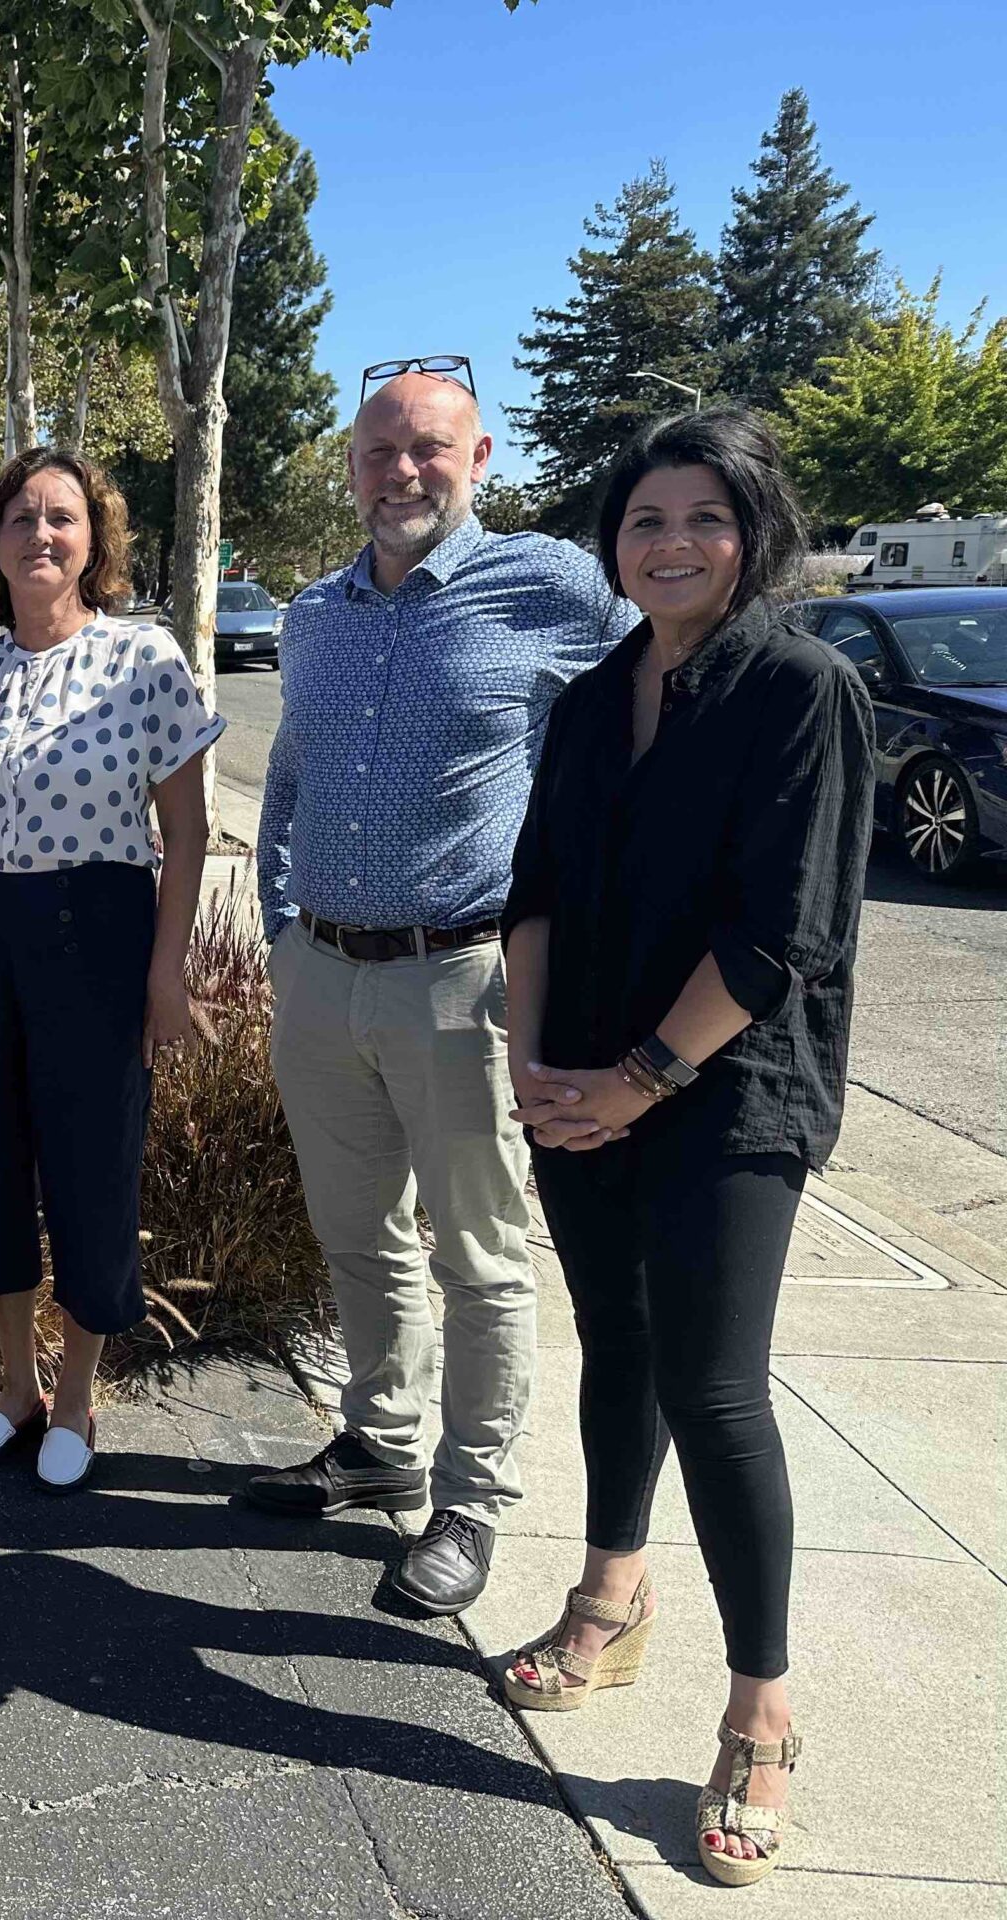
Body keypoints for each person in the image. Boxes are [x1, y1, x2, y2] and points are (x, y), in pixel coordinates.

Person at [499, 409, 869, 1889]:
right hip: (579, 1085)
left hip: (726, 1093)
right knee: (618, 1348)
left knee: (715, 1392)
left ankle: (761, 1713)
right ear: (613, 543)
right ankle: (611, 1597)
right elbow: (534, 888)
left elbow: (786, 932)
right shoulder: (593, 699)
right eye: (645, 519)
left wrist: (640, 1079)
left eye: (703, 517)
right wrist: (533, 1062)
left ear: (751, 532)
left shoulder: (801, 689)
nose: (671, 544)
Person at [246, 360, 634, 1616]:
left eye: (426, 448)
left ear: (477, 460)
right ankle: (379, 1445)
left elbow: (658, 702)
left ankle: (469, 1501)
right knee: (359, 1237)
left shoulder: (552, 587)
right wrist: (280, 931)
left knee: (480, 1255)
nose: (400, 472)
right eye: (378, 452)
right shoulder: (316, 614)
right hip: (323, 976)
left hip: (466, 980)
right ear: (351, 470)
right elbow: (290, 777)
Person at [0, 447, 221, 1493]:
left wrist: (166, 977)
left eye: (62, 518)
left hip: (97, 938)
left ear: (94, 541)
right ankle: (14, 1389)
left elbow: (187, 835)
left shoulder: (142, 661)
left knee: (89, 1167)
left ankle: (77, 1396)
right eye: (20, 518)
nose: (40, 534)